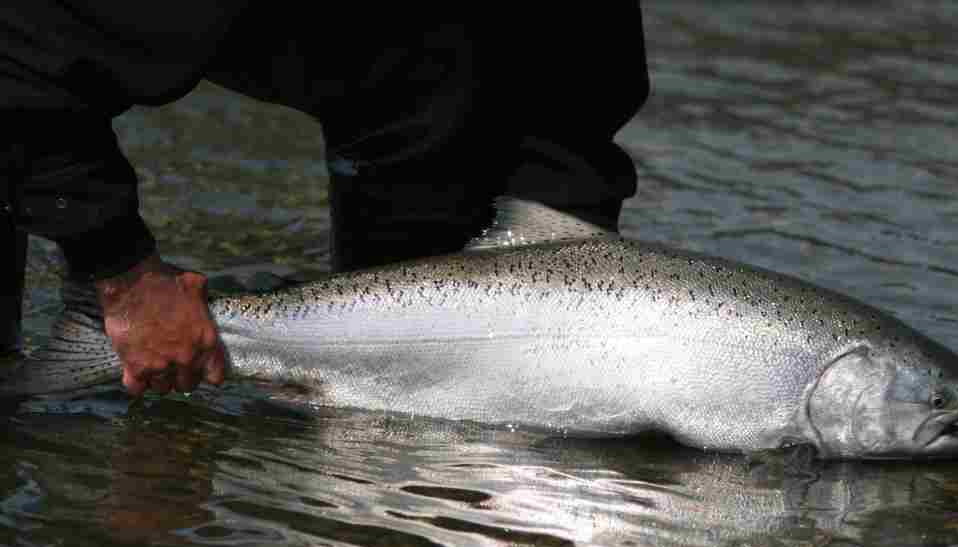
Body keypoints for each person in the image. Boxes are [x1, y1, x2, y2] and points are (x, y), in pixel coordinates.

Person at [1, 5, 648, 396]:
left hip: (399, 73)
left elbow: (578, 114)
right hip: (33, 43)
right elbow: (17, 61)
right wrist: (124, 275)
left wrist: (564, 264)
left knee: (408, 400)